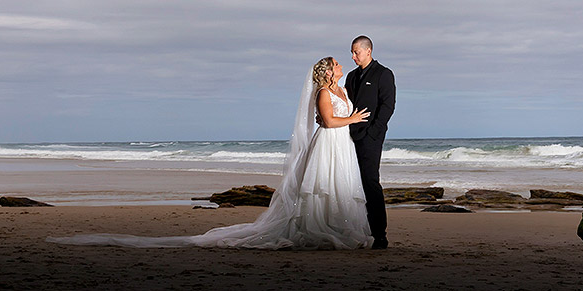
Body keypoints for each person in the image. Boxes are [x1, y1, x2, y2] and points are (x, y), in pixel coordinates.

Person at [47, 56, 373, 250]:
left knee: (338, 187)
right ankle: (318, 231)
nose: (341, 65)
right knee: (320, 189)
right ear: (327, 71)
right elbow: (328, 120)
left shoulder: (339, 89)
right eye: (336, 63)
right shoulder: (322, 93)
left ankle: (338, 227)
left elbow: (329, 116)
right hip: (329, 143)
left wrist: (350, 119)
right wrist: (354, 118)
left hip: (340, 146)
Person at [345, 35, 395, 249]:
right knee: (350, 183)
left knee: (370, 182)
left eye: (356, 52)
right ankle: (356, 230)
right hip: (348, 136)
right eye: (352, 52)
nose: (353, 56)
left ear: (368, 51)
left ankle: (379, 234)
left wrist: (374, 132)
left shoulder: (383, 74)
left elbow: (388, 106)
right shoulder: (351, 76)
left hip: (370, 137)